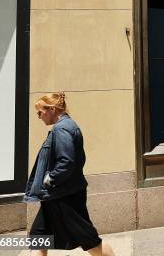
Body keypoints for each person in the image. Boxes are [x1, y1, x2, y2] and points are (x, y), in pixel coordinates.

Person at [24, 92, 115, 256]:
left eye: (40, 112)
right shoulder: (67, 126)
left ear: (51, 109)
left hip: (64, 196)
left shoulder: (62, 128)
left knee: (90, 241)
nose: (38, 116)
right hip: (57, 195)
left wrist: (50, 179)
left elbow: (67, 161)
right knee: (38, 237)